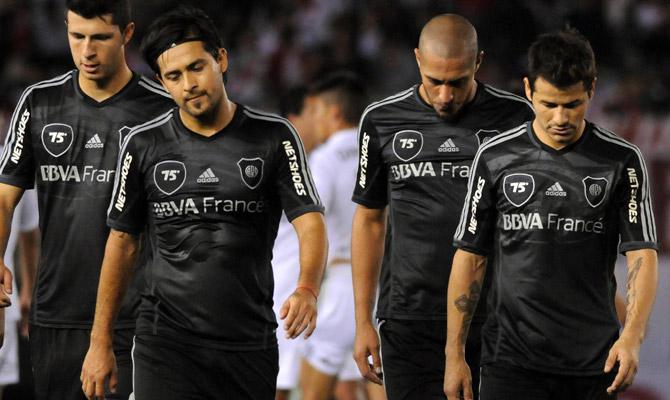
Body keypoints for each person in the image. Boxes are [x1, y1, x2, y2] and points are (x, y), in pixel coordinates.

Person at [80, 6, 327, 400]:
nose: (188, 84)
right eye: (174, 76)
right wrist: (99, 341)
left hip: (248, 343)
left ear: (221, 59)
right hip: (165, 341)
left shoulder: (275, 137)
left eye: (196, 67)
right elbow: (122, 243)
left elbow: (309, 220)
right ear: (162, 82)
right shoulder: (143, 144)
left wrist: (308, 288)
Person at [444, 28, 658, 400]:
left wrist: (632, 338)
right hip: (509, 363)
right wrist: (453, 354)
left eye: (572, 104)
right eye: (548, 104)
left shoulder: (622, 161)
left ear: (591, 89)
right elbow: (470, 257)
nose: (560, 117)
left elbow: (642, 254)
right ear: (528, 89)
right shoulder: (495, 157)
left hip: (592, 365)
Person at [351, 13, 534, 400]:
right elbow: (369, 221)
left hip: (495, 317)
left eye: (457, 82)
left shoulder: (518, 119)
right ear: (418, 59)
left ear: (478, 62)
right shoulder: (382, 120)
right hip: (409, 318)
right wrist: (362, 320)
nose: (445, 96)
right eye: (435, 81)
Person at [0, 0, 173, 398]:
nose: (87, 51)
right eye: (77, 36)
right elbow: (5, 198)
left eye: (100, 38)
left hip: (137, 318)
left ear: (127, 34)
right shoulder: (40, 102)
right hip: (55, 313)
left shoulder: (162, 111)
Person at [299, 72, 370, 400]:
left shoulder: (324, 159)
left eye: (316, 111)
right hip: (384, 285)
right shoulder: (381, 151)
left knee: (312, 391)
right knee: (376, 378)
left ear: (335, 112)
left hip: (344, 283)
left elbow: (311, 216)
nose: (313, 120)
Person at [273, 86, 319, 400]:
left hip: (304, 289)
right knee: (279, 381)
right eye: (313, 112)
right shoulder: (277, 162)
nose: (320, 120)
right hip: (281, 290)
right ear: (293, 119)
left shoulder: (317, 162)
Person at [0, 188, 38, 399]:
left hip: (4, 298)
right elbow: (29, 232)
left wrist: (28, 290)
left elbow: (29, 229)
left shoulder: (19, 168)